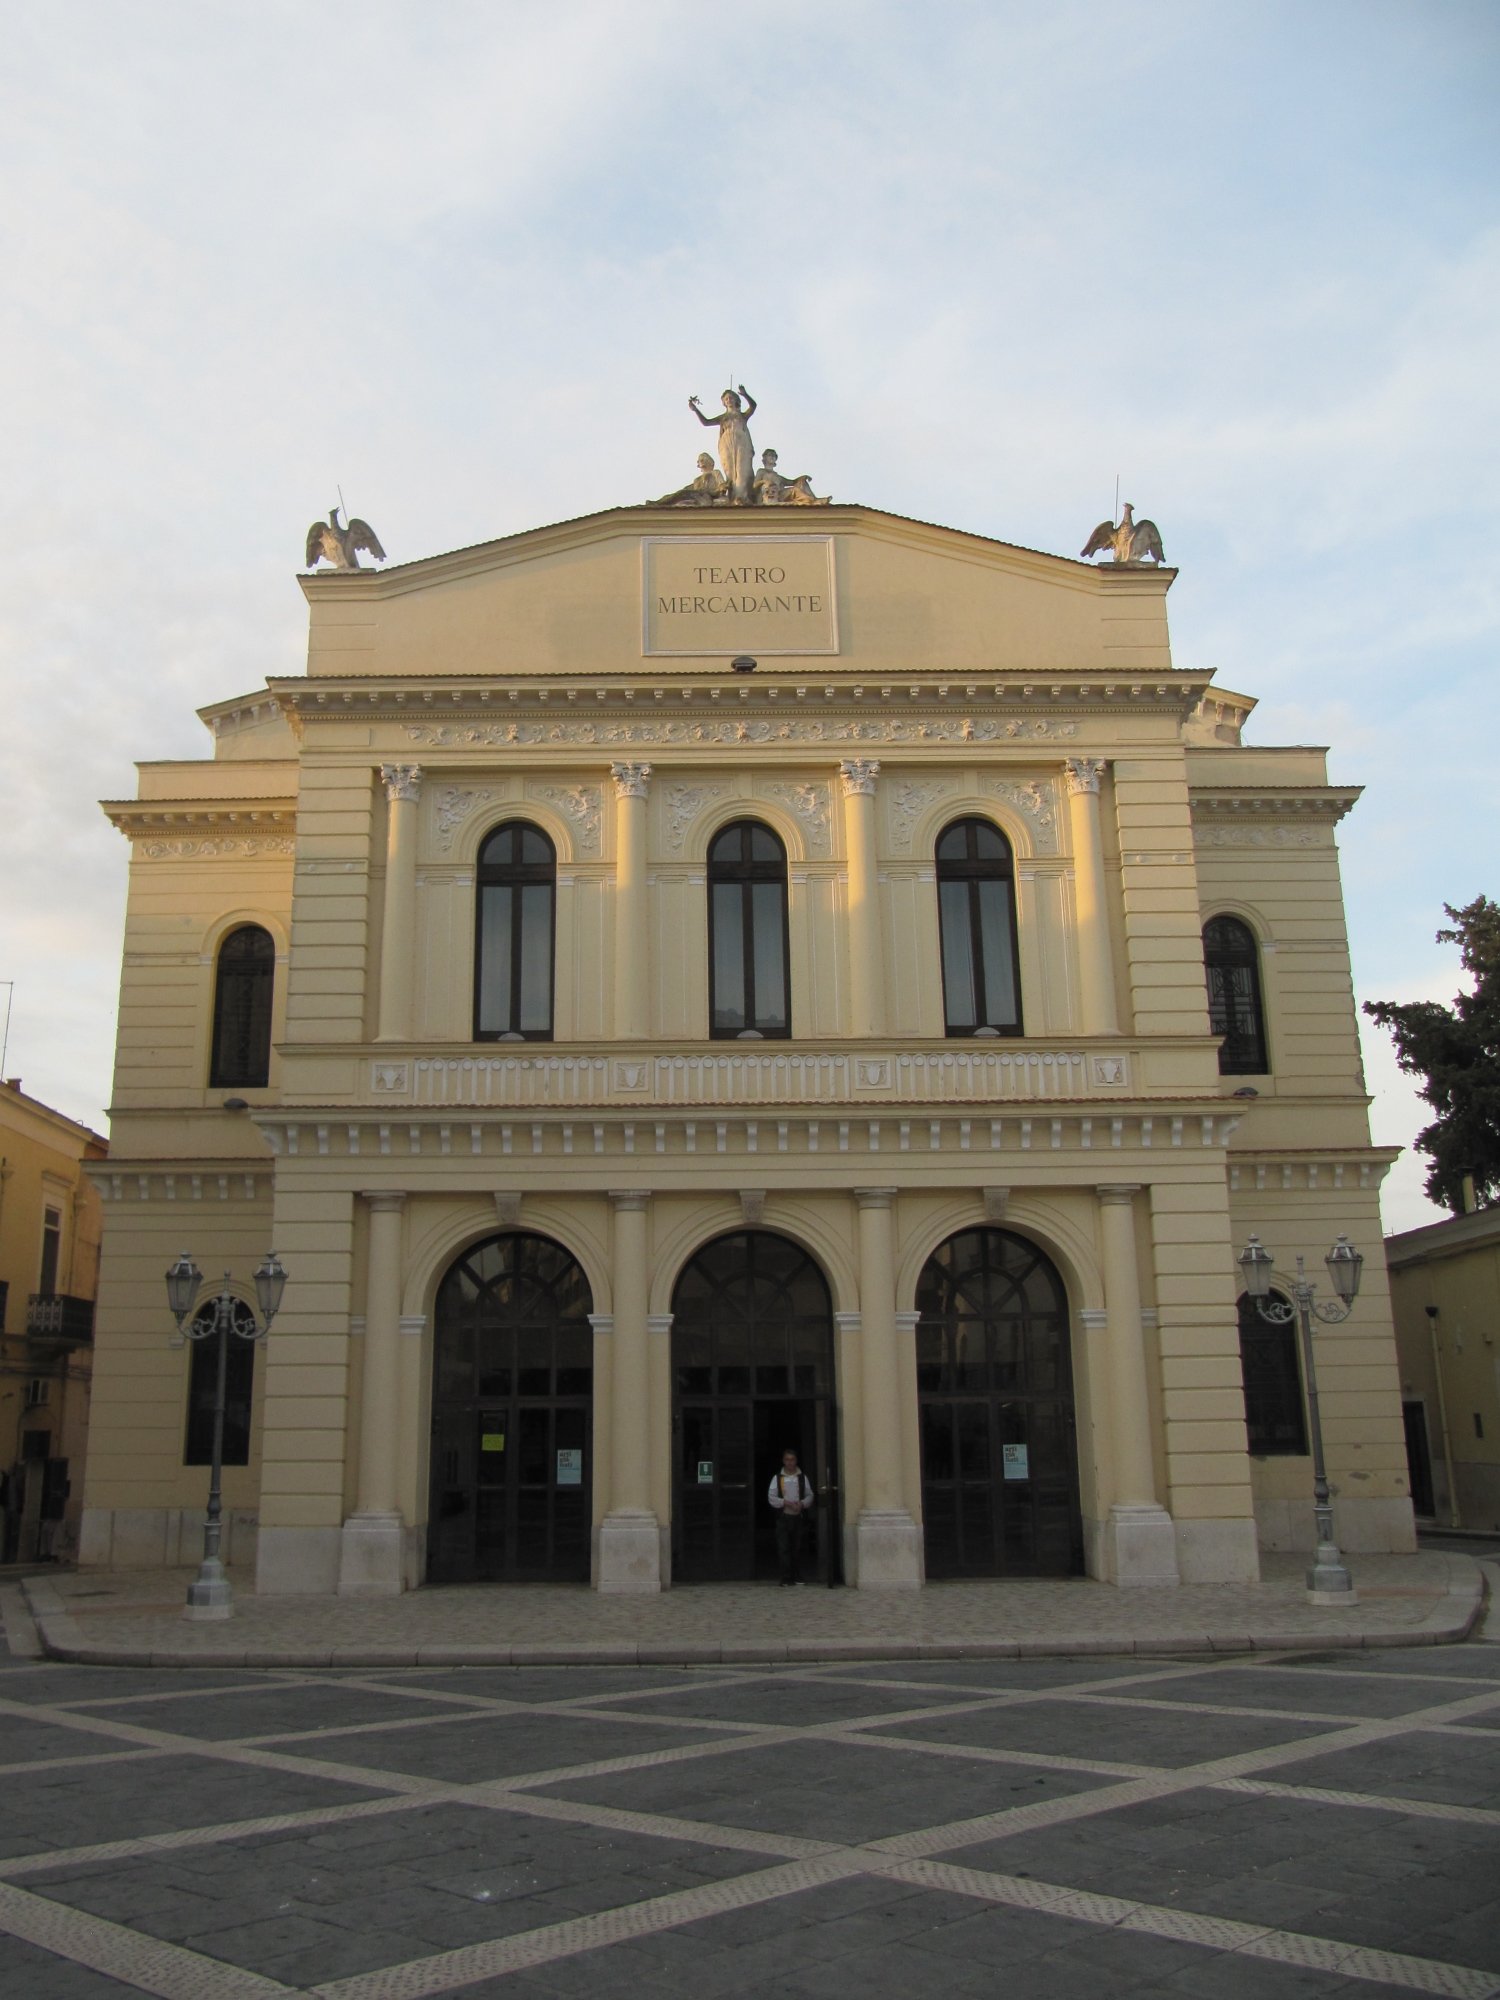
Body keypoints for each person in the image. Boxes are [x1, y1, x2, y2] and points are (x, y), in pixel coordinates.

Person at [689, 385, 757, 504]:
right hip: (726, 444)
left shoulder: (741, 415)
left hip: (741, 442)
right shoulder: (723, 418)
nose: (728, 400)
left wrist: (745, 394)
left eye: (730, 398)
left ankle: (741, 497)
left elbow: (753, 406)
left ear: (736, 400)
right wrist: (696, 410)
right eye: (726, 399)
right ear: (724, 403)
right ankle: (733, 497)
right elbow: (706, 422)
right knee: (730, 472)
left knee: (742, 471)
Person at [767, 1448, 814, 1585]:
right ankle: (786, 1577)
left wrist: (802, 1504)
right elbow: (772, 1497)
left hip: (798, 1516)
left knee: (797, 1547)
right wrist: (785, 1503)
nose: (790, 1462)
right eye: (787, 1459)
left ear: (796, 1461)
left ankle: (796, 1575)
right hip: (783, 1517)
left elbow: (809, 1495)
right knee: (784, 1548)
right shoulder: (777, 1478)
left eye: (792, 1459)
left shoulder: (802, 1478)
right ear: (783, 1461)